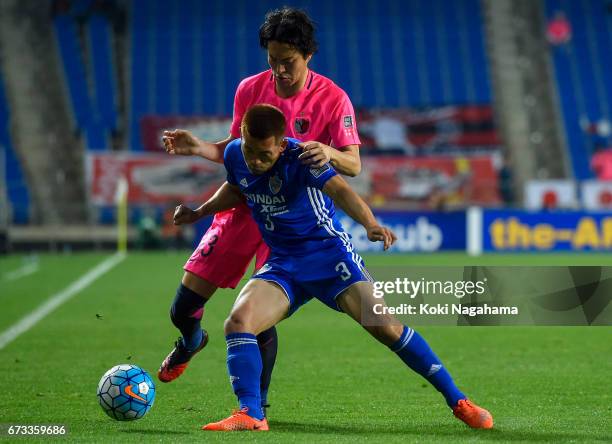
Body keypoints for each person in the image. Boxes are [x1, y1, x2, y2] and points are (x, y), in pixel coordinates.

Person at [174, 104, 493, 432]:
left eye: (264, 154)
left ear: (281, 144)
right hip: (283, 262)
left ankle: (459, 401)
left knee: (385, 327)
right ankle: (252, 414)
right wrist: (200, 211)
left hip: (329, 257)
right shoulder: (234, 154)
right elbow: (238, 187)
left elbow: (341, 190)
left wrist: (370, 224)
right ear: (241, 136)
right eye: (250, 151)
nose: (255, 161)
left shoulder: (301, 158)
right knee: (238, 322)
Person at [158, 7, 361, 416]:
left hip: (290, 220)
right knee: (182, 307)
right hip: (243, 205)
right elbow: (237, 152)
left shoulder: (332, 98)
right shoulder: (250, 89)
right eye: (273, 61)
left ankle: (256, 408)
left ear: (308, 56)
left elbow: (354, 164)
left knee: (257, 317)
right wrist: (198, 146)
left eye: (287, 63)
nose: (280, 71)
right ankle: (192, 340)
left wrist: (330, 152)